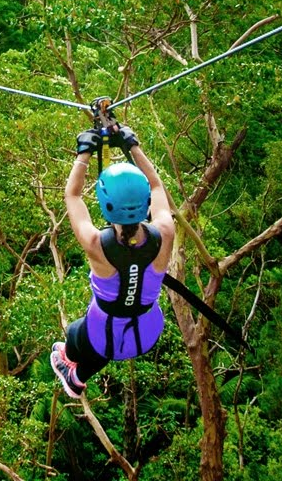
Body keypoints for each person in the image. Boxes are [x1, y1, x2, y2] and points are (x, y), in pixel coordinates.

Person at [50, 124, 176, 398]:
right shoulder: (164, 233)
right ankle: (77, 378)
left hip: (103, 331)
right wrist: (132, 145)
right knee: (105, 344)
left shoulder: (98, 244)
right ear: (144, 204)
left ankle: (69, 367)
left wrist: (84, 153)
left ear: (106, 205)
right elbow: (156, 185)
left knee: (75, 335)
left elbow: (72, 196)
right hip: (147, 330)